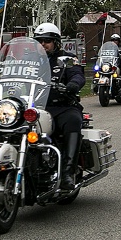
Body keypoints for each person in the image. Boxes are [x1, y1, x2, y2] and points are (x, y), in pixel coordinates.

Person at [33, 22, 85, 190]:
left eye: (46, 41)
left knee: (72, 121)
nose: (42, 44)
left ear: (55, 42)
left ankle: (68, 173)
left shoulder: (67, 59)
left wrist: (73, 84)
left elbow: (78, 75)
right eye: (39, 41)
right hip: (37, 108)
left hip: (63, 106)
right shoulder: (31, 61)